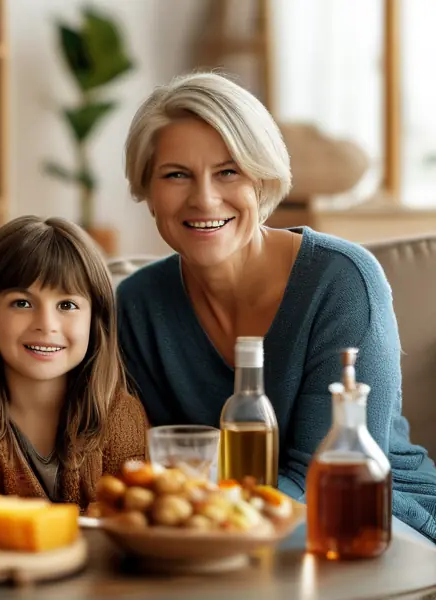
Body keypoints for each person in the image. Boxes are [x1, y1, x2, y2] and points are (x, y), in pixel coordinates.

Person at [116, 72, 436, 541]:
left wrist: (196, 516)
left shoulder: (340, 281)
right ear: (148, 188)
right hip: (215, 538)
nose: (204, 198)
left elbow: (324, 481)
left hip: (376, 517)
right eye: (176, 174)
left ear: (262, 179)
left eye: (228, 172)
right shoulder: (137, 305)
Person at [0, 216, 147, 509]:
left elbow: (130, 524)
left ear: (95, 320)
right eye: (22, 303)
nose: (46, 325)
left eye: (67, 305)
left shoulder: (122, 417)